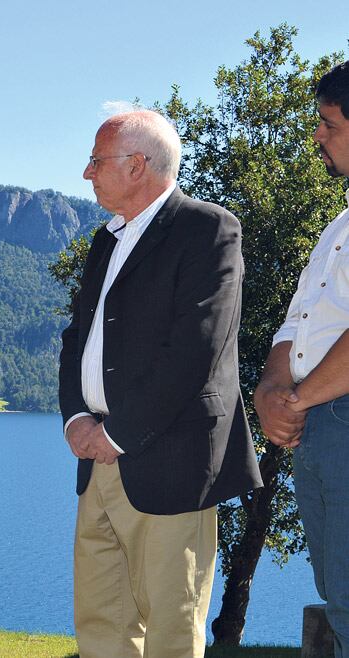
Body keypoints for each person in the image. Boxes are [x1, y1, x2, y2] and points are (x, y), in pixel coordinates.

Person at [58, 109, 262, 658]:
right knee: (101, 623)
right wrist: (77, 418)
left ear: (137, 166)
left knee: (172, 628)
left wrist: (117, 433)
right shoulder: (107, 240)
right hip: (97, 461)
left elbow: (196, 350)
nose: (86, 173)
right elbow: (77, 337)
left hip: (170, 463)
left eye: (97, 161)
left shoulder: (208, 229)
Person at [254, 60, 349, 657]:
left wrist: (298, 399)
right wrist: (269, 391)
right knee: (338, 595)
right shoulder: (338, 226)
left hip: (336, 418)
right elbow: (297, 321)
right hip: (317, 427)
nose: (317, 135)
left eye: (329, 123)